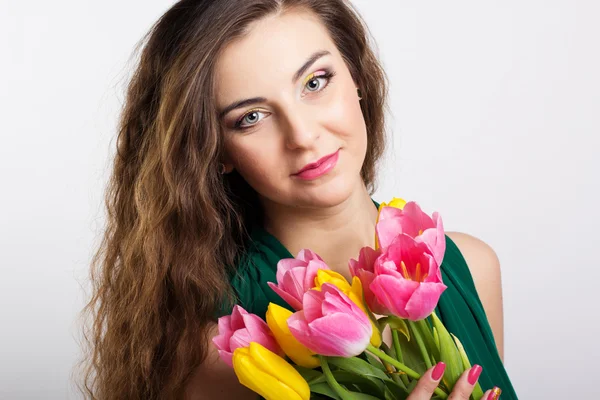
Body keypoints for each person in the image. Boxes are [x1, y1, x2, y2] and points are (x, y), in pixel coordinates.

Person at [76, 1, 517, 399]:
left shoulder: (472, 268)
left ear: (357, 76)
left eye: (315, 82)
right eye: (251, 117)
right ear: (217, 151)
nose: (303, 136)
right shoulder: (232, 349)